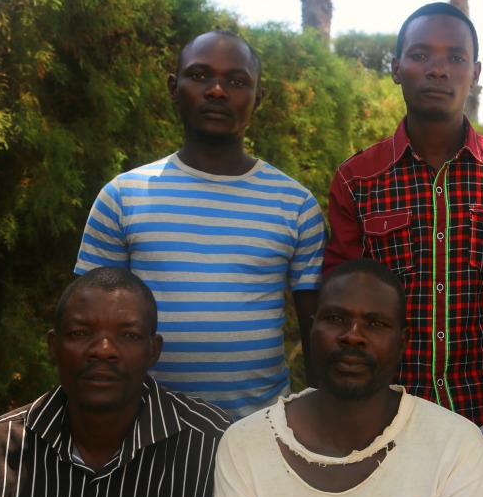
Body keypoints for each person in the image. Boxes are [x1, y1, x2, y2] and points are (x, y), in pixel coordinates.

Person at [75, 30, 325, 419]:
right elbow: (89, 325)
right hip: (146, 433)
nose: (218, 91)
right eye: (200, 75)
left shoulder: (295, 204)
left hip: (260, 435)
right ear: (174, 88)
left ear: (257, 98)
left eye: (237, 81)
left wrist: (321, 423)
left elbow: (316, 334)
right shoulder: (123, 197)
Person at [324, 3, 483, 426]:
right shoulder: (357, 180)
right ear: (395, 68)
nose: (438, 69)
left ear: (476, 73)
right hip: (386, 418)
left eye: (456, 58)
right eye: (420, 55)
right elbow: (340, 312)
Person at [212, 258, 483, 497]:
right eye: (336, 318)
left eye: (375, 324)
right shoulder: (246, 446)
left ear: (402, 341)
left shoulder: (455, 446)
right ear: (311, 329)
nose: (353, 335)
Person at [0, 267, 231, 497]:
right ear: (53, 346)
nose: (103, 350)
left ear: (153, 350)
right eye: (81, 333)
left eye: (128, 335)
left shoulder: (215, 444)